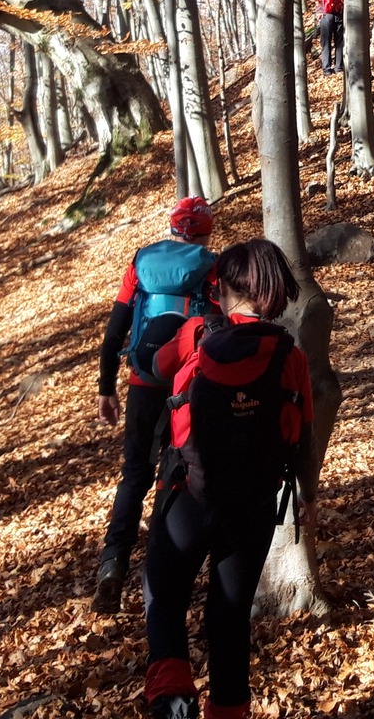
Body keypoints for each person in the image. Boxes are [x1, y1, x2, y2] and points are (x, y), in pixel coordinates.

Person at [142, 239, 316, 719]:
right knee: (229, 619)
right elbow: (302, 433)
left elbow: (152, 367)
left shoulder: (197, 332)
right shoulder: (292, 356)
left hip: (189, 495)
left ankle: (172, 697)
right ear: (272, 293)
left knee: (163, 590)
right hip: (255, 503)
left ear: (223, 289)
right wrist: (309, 496)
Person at [94, 195, 218, 613]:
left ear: (173, 227)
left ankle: (113, 563)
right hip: (190, 382)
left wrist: (106, 388)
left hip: (142, 382)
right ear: (204, 229)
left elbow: (115, 333)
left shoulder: (140, 264)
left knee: (134, 475)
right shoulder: (209, 266)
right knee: (183, 470)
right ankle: (164, 572)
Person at [301, 0, 345, 74]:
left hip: (326, 14)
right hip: (338, 12)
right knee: (339, 41)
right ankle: (339, 67)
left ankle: (327, 69)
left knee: (326, 43)